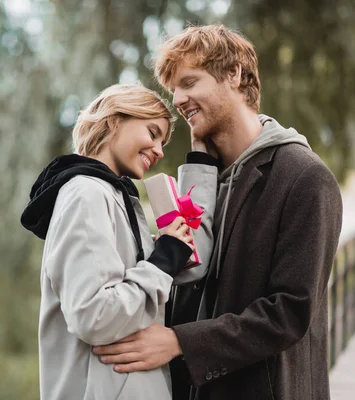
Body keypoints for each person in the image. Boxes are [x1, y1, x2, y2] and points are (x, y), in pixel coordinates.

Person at [92, 25, 343, 400]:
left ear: (235, 75)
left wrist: (179, 342)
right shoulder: (202, 180)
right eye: (174, 89)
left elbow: (290, 312)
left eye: (189, 83)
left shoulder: (305, 177)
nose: (178, 99)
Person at [20, 83, 217, 399]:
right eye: (152, 133)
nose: (159, 150)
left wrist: (167, 251)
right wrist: (162, 260)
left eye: (163, 141)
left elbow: (171, 278)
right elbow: (94, 315)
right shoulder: (86, 194)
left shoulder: (115, 197)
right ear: (114, 121)